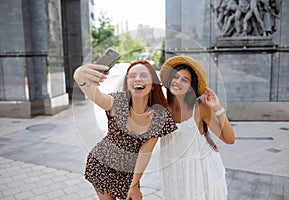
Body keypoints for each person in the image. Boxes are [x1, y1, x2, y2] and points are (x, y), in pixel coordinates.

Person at [73, 60, 177, 200]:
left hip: (129, 171)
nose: (138, 78)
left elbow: (145, 152)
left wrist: (134, 185)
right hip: (101, 165)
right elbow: (98, 96)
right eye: (132, 76)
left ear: (153, 85)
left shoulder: (159, 116)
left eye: (143, 75)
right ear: (127, 83)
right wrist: (79, 76)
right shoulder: (117, 102)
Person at [159, 56, 235, 200]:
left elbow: (229, 139)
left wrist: (218, 108)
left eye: (185, 80)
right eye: (175, 77)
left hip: (201, 174)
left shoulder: (200, 108)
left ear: (190, 88)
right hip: (173, 174)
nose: (178, 82)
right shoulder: (161, 109)